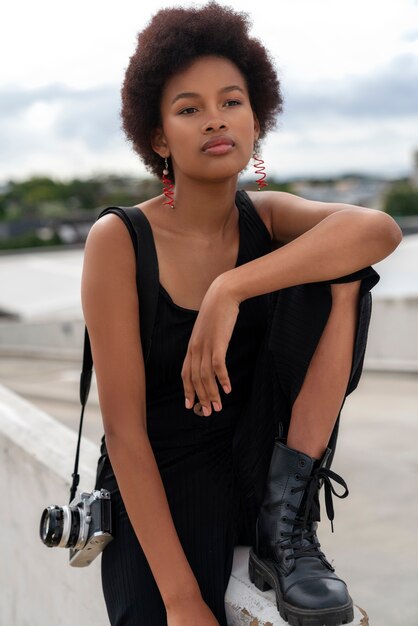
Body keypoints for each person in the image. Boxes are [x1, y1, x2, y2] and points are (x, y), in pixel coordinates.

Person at [81, 3, 402, 625]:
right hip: (161, 492)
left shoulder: (266, 216)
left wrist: (232, 287)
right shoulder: (120, 240)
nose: (215, 120)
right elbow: (123, 432)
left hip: (257, 477)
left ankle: (291, 520)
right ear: (157, 137)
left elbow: (378, 229)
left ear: (257, 119)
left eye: (231, 102)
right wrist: (179, 599)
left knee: (341, 269)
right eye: (189, 108)